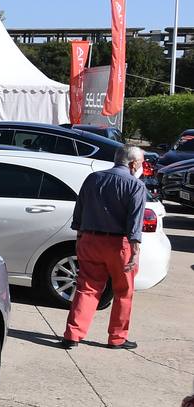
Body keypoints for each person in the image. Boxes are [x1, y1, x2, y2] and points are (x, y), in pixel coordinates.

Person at [60, 145, 147, 350]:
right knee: (123, 291)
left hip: (90, 239)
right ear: (133, 163)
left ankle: (72, 335)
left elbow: (79, 209)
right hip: (119, 244)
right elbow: (135, 222)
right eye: (141, 163)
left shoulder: (93, 178)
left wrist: (80, 235)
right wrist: (135, 251)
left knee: (86, 288)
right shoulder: (135, 185)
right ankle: (117, 338)